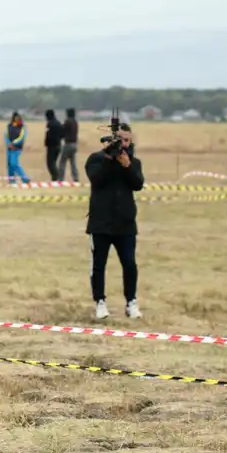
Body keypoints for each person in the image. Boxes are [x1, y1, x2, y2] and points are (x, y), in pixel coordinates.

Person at [85, 122, 144, 320]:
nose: (124, 144)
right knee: (98, 265)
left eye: (127, 140)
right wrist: (109, 159)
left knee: (129, 264)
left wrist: (127, 166)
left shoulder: (134, 162)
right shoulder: (96, 160)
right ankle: (100, 302)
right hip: (100, 222)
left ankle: (131, 302)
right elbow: (97, 179)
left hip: (125, 223)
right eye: (120, 140)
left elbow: (138, 184)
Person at [4, 112, 30, 184]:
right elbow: (6, 135)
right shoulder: (9, 126)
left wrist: (13, 143)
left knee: (14, 163)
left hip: (17, 148)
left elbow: (22, 137)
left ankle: (25, 179)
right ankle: (11, 180)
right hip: (9, 148)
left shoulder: (23, 127)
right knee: (9, 165)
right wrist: (9, 144)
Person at [57, 107, 80, 182]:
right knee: (73, 162)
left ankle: (60, 178)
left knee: (62, 162)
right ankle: (76, 178)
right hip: (75, 144)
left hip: (68, 144)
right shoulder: (75, 122)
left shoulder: (68, 121)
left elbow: (62, 130)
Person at [43, 109, 64, 181]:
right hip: (58, 145)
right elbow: (63, 134)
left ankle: (56, 177)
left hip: (51, 146)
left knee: (50, 163)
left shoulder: (50, 124)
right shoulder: (59, 123)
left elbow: (48, 135)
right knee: (54, 163)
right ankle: (54, 178)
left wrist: (47, 142)